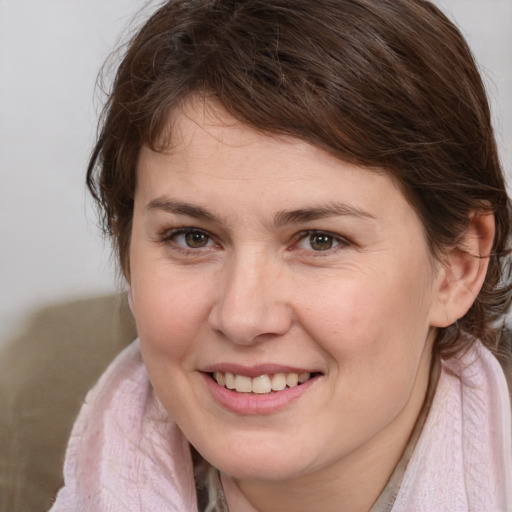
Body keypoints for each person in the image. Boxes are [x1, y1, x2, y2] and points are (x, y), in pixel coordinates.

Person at [49, 0, 512, 510]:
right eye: (192, 237)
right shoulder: (24, 433)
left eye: (320, 239)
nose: (243, 317)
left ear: (458, 265)